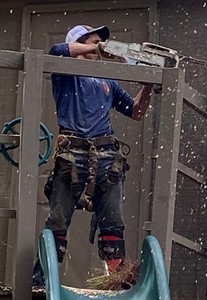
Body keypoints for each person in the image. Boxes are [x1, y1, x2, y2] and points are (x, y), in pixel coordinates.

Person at [32, 25, 155, 286]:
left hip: (106, 157)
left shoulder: (106, 79)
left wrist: (147, 86)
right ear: (79, 44)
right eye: (94, 42)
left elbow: (136, 112)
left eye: (101, 43)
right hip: (72, 155)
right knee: (57, 221)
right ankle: (41, 281)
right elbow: (57, 50)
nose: (101, 47)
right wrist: (97, 49)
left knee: (113, 223)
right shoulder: (65, 71)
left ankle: (119, 281)